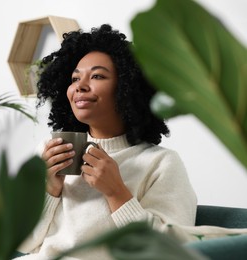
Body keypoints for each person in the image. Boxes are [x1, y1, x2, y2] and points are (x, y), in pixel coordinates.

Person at [15, 24, 197, 260]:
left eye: (98, 76)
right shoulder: (51, 152)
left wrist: (116, 193)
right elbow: (24, 243)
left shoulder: (161, 163)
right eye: (74, 78)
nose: (79, 86)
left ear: (127, 88)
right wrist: (49, 189)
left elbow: (170, 251)